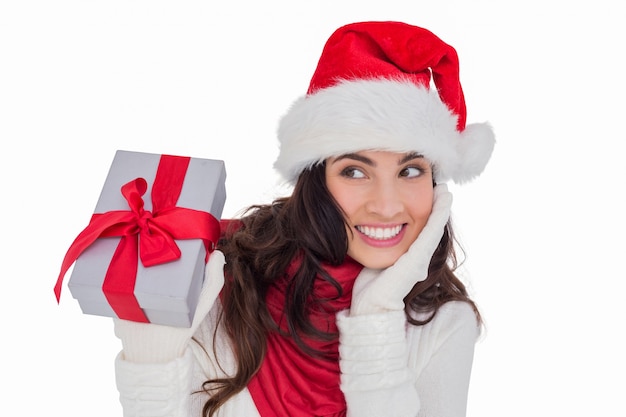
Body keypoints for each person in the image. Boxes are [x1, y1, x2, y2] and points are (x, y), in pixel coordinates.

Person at [113, 21, 495, 417]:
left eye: (410, 170)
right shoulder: (224, 289)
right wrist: (151, 366)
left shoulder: (444, 324)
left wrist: (376, 318)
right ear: (317, 181)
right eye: (355, 171)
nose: (386, 205)